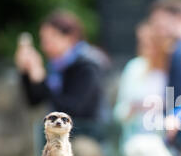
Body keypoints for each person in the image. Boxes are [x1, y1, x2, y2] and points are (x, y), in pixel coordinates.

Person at [14, 10, 110, 141]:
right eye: (43, 40)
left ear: (69, 37)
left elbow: (73, 110)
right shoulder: (56, 66)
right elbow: (34, 100)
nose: (45, 46)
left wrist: (42, 81)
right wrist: (26, 72)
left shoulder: (88, 66)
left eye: (49, 40)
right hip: (64, 139)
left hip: (88, 139)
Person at [113, 20, 172, 146]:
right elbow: (119, 110)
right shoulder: (134, 67)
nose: (146, 48)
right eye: (142, 43)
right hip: (134, 139)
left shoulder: (170, 70)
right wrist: (133, 108)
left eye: (151, 43)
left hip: (162, 140)